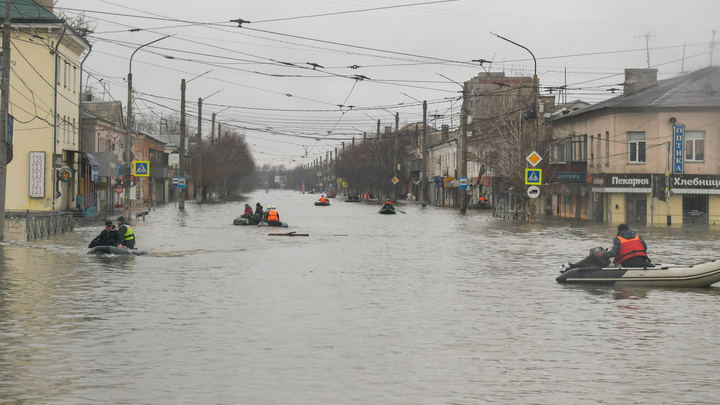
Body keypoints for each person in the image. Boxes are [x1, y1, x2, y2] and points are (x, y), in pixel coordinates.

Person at [560, 223, 652, 272]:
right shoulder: (637, 236)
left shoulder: (618, 239)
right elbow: (645, 248)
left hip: (628, 264)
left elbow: (614, 253)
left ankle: (574, 266)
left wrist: (603, 254)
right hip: (641, 261)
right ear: (628, 229)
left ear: (619, 231)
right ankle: (574, 266)